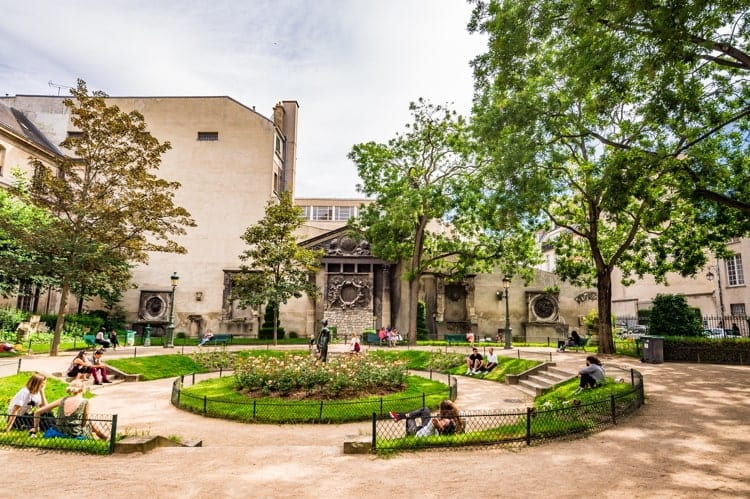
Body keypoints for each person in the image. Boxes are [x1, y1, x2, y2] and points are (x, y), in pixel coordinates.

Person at [31, 379, 108, 440]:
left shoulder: (62, 399)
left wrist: (36, 428)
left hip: (58, 431)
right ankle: (107, 438)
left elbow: (37, 412)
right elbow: (85, 421)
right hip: (74, 433)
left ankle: (106, 438)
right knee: (91, 422)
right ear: (83, 390)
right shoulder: (85, 402)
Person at [390, 400, 463, 437]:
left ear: (444, 409)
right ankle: (399, 416)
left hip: (424, 432)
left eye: (440, 408)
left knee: (410, 418)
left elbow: (436, 425)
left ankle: (400, 417)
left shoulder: (447, 421)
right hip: (427, 428)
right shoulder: (456, 418)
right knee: (425, 410)